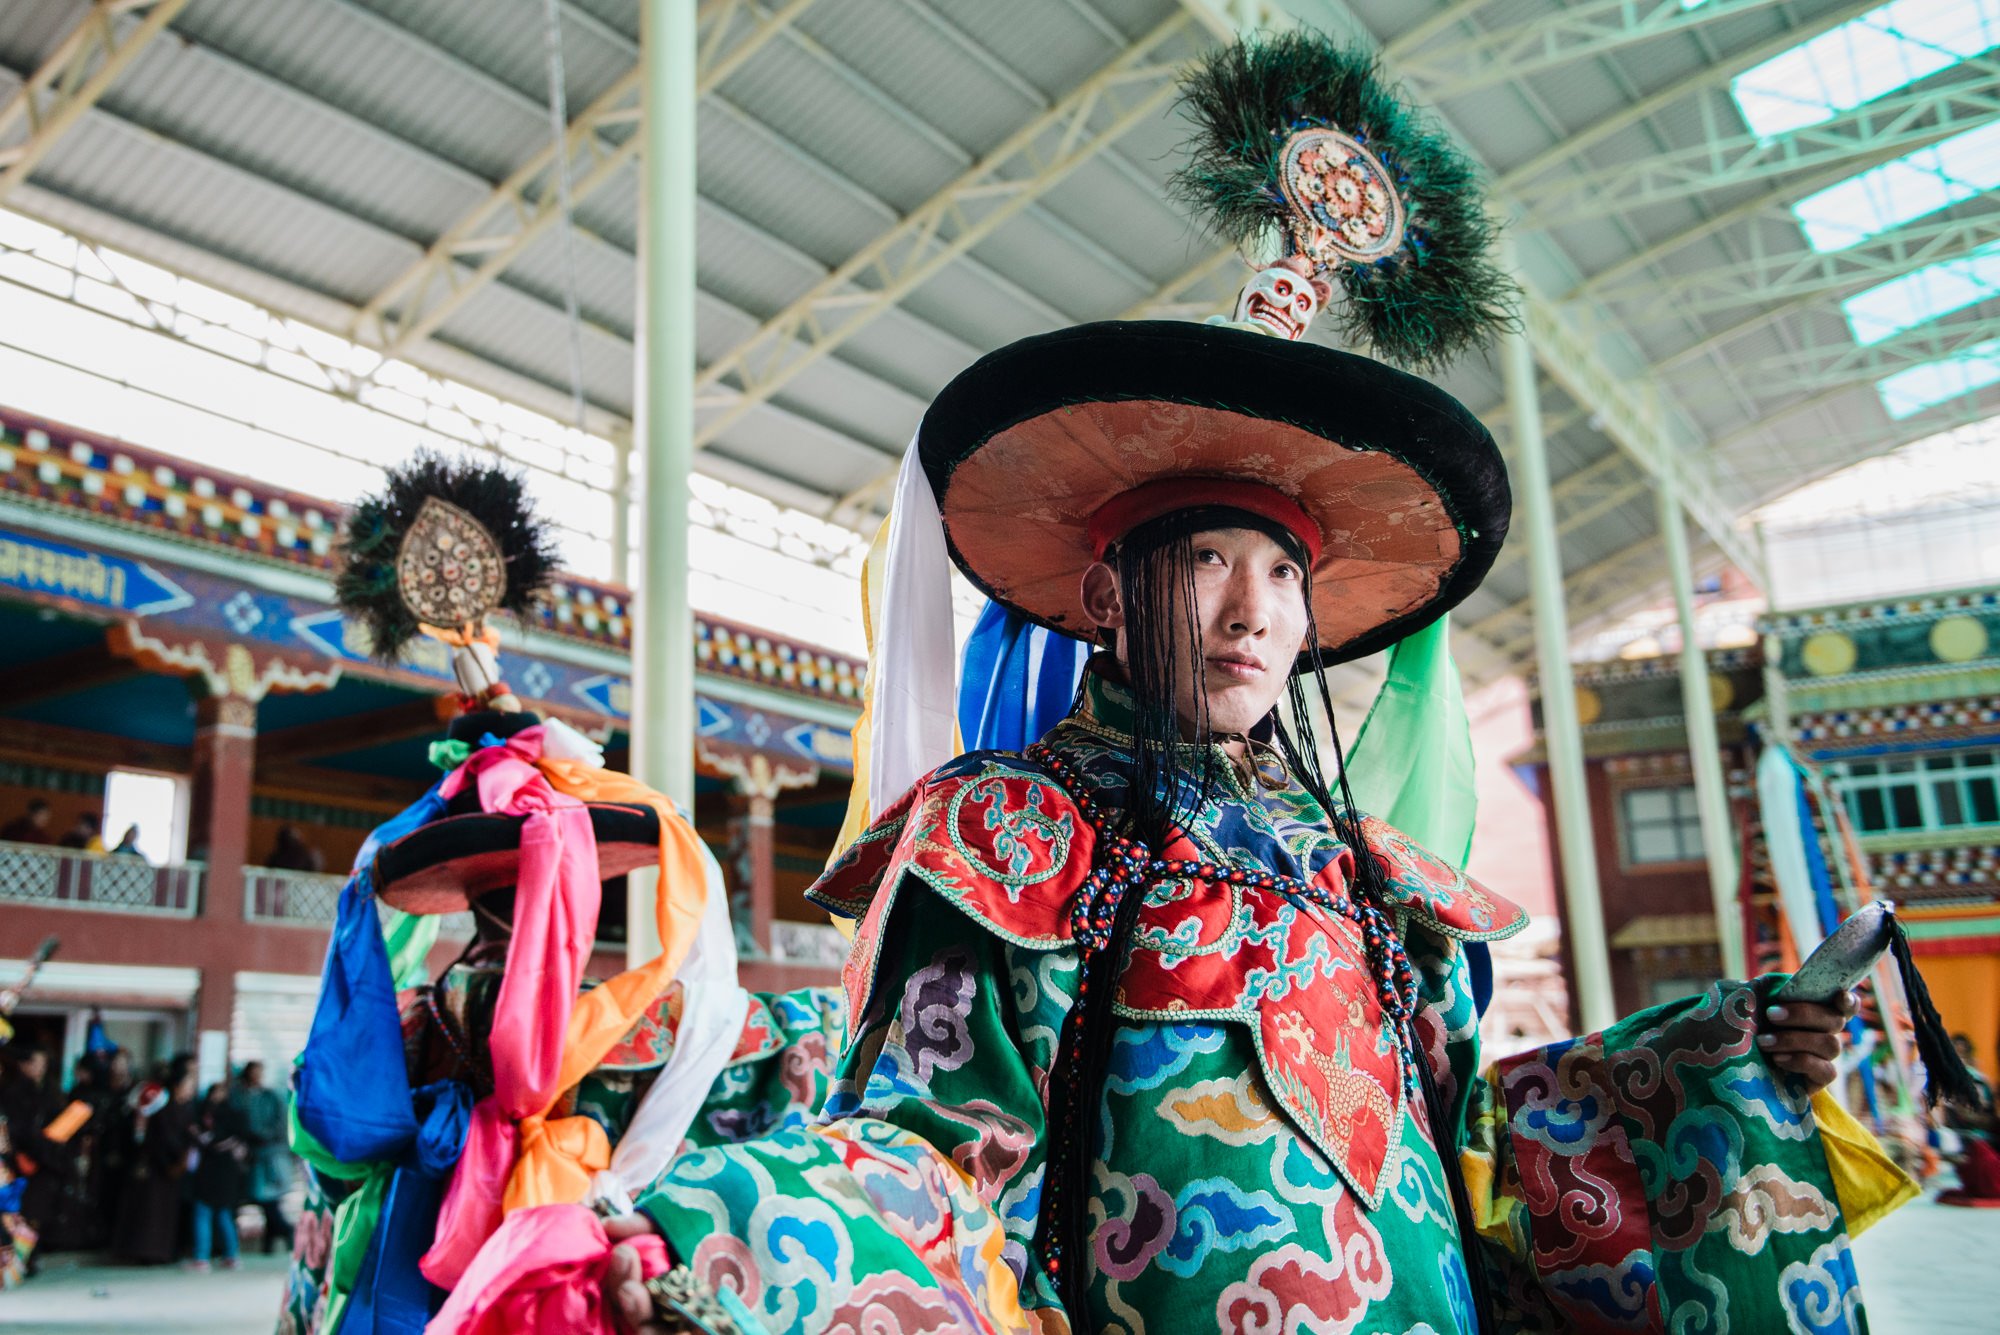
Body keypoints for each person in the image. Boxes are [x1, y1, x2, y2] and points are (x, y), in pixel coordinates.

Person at [586, 35, 1917, 1334]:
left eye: (1282, 574)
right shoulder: (998, 838)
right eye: (1206, 560)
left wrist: (1732, 1055)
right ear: (1108, 594)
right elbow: (936, 1153)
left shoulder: (1378, 871)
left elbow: (1491, 1147)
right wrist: (719, 1233)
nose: (1250, 611)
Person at [113, 1064, 195, 1265]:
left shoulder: (181, 1107)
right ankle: (146, 1252)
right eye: (188, 1084)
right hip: (156, 1165)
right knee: (148, 1213)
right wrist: (174, 1158)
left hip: (169, 1167)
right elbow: (160, 1136)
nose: (190, 1089)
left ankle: (158, 1252)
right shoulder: (160, 1104)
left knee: (160, 1213)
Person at [229, 1061, 293, 1254]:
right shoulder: (239, 1096)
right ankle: (272, 1240)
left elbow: (281, 1123)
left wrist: (263, 1135)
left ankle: (282, 1233)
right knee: (263, 1200)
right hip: (252, 1155)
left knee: (269, 1199)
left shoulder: (271, 1096)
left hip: (271, 1155)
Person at [189, 1081, 248, 1271]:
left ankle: (203, 1257)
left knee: (206, 1213)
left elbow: (208, 1140)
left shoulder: (211, 1115)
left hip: (213, 1170)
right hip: (222, 1171)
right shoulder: (230, 1115)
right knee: (221, 1213)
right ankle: (230, 1255)